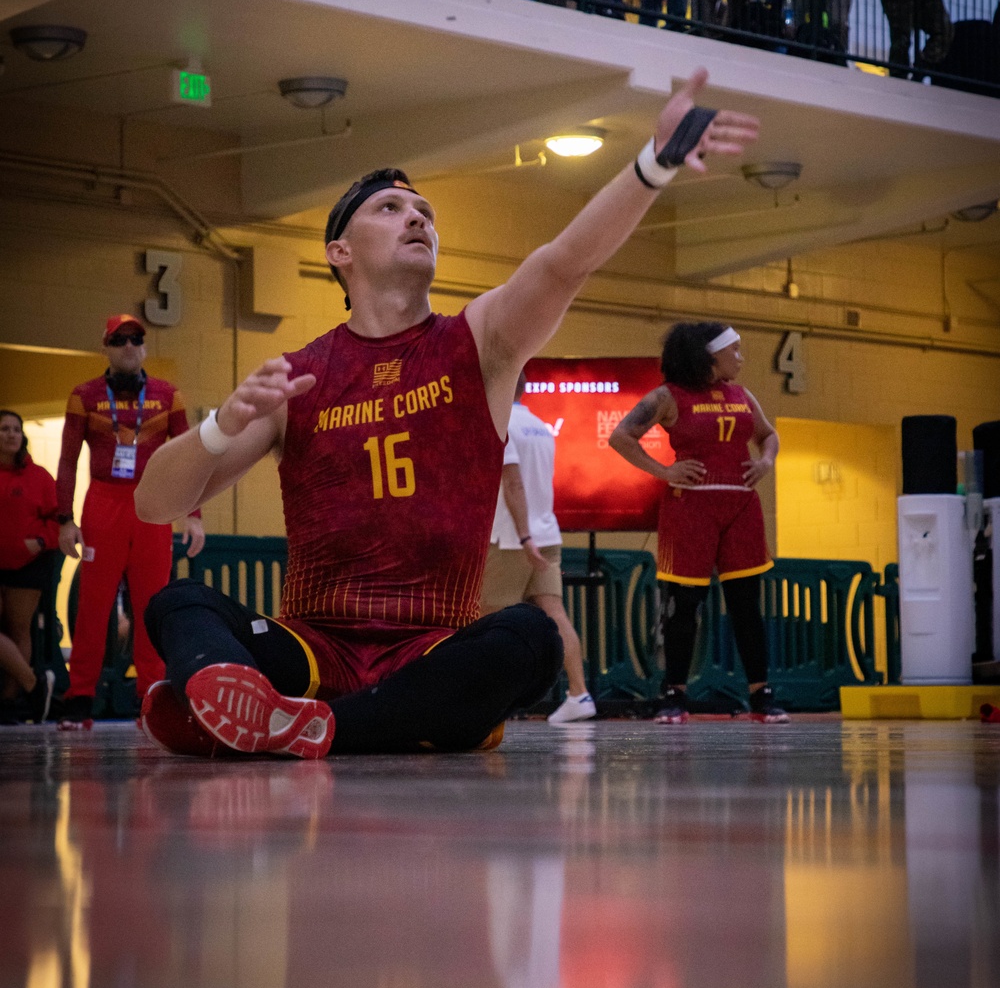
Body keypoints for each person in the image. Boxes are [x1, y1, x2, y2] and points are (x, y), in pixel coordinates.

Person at [133, 69, 758, 760]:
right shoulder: (298, 376)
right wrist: (223, 421)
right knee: (177, 601)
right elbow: (156, 501)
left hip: (432, 648)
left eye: (424, 210)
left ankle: (296, 724)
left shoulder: (478, 342)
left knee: (530, 638)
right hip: (314, 646)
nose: (417, 217)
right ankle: (268, 705)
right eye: (392, 208)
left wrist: (653, 164)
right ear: (340, 252)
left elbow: (562, 264)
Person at [609, 322, 785, 724]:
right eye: (735, 350)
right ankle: (675, 694)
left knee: (746, 604)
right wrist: (663, 471)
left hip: (740, 506)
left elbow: (768, 436)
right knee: (683, 606)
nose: (741, 357)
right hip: (690, 508)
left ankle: (762, 695)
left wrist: (765, 462)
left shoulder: (743, 395)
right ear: (710, 355)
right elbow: (621, 436)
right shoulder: (668, 397)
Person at [54, 314, 205, 727]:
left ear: (144, 346)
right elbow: (67, 460)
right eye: (118, 339)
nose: (128, 346)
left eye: (135, 338)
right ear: (105, 345)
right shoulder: (83, 395)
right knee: (93, 606)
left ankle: (152, 699)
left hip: (152, 505)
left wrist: (193, 514)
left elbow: (190, 455)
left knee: (152, 605)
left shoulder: (166, 394)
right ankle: (79, 697)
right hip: (103, 503)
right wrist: (65, 519)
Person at [480, 371, 593, 725]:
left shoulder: (501, 422)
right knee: (555, 614)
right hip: (547, 534)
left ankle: (492, 704)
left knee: (490, 621)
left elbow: (513, 485)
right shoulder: (542, 428)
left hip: (513, 537)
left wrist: (525, 537)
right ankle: (579, 693)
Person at [0, 411, 57, 724]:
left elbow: (57, 520)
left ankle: (9, 701)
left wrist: (39, 539)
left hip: (28, 564)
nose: (11, 435)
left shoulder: (39, 477)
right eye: (4, 429)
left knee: (19, 629)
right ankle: (35, 684)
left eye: (16, 430)